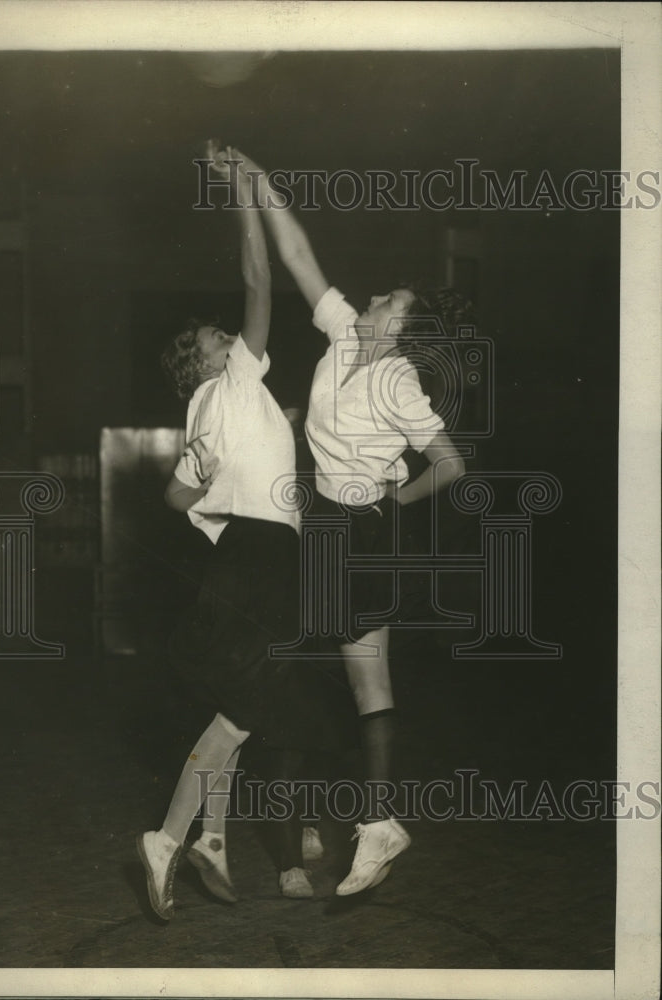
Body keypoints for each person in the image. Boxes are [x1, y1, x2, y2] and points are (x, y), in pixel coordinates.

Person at [222, 146, 468, 895]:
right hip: (324, 526)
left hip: (363, 531)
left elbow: (452, 463)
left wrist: (392, 500)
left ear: (397, 324)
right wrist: (258, 181)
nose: (370, 299)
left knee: (360, 681)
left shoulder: (397, 378)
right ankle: (325, 825)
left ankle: (374, 821)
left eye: (386, 299)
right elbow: (296, 256)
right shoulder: (339, 338)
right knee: (308, 673)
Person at [137, 147, 355, 920]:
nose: (229, 334)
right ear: (202, 362)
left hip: (247, 561)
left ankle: (205, 838)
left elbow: (173, 500)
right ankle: (179, 838)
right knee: (257, 709)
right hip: (261, 559)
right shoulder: (231, 383)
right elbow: (261, 282)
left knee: (240, 712)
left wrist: (194, 478)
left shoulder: (203, 415)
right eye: (213, 336)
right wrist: (242, 193)